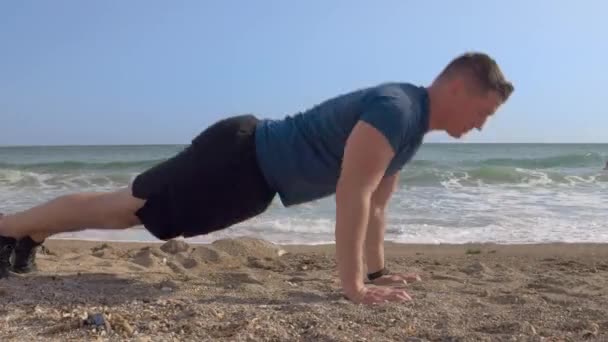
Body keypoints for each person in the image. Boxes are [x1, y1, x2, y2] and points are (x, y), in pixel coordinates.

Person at [0, 52, 513, 304]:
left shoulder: (411, 130)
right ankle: (9, 227)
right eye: (483, 111)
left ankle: (32, 232)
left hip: (252, 180)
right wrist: (353, 286)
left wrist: (376, 275)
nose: (481, 125)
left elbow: (378, 204)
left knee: (134, 216)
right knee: (125, 207)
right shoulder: (397, 110)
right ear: (458, 89)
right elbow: (351, 193)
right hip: (239, 158)